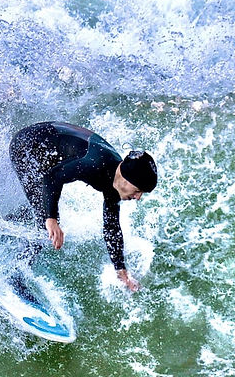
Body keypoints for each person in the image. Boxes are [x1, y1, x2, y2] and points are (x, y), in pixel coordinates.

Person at [8, 121, 157, 292]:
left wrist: (121, 270)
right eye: (138, 190)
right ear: (125, 178)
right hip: (26, 146)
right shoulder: (94, 163)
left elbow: (111, 227)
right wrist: (52, 218)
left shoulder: (114, 182)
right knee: (45, 221)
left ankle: (10, 222)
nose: (138, 197)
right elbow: (53, 178)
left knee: (43, 207)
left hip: (47, 150)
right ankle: (15, 273)